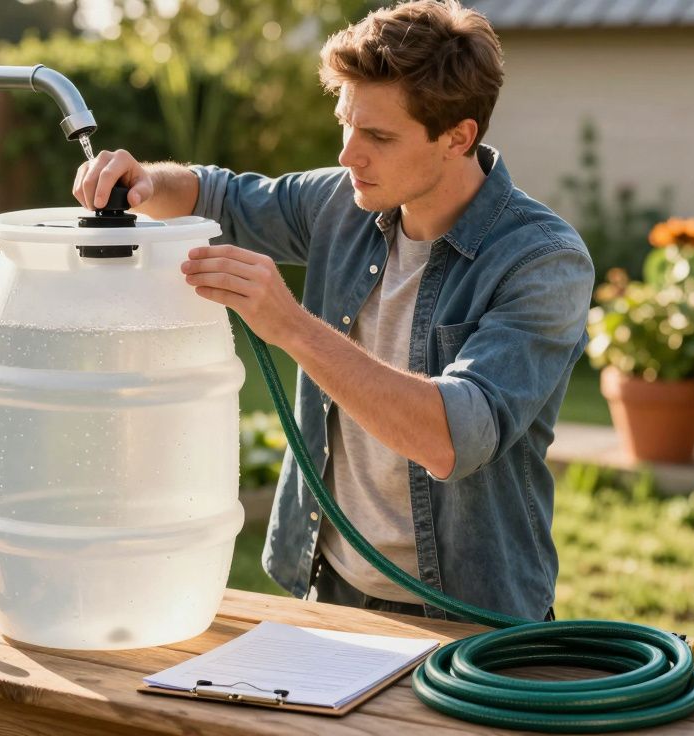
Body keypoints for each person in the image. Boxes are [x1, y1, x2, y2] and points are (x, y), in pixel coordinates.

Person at [73, 0, 593, 622]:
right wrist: (149, 183)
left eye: (379, 136)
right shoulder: (341, 203)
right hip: (333, 589)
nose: (349, 154)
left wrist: (291, 326)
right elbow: (220, 197)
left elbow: (452, 440)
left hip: (470, 614)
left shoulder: (542, 261)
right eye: (347, 123)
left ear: (458, 137)